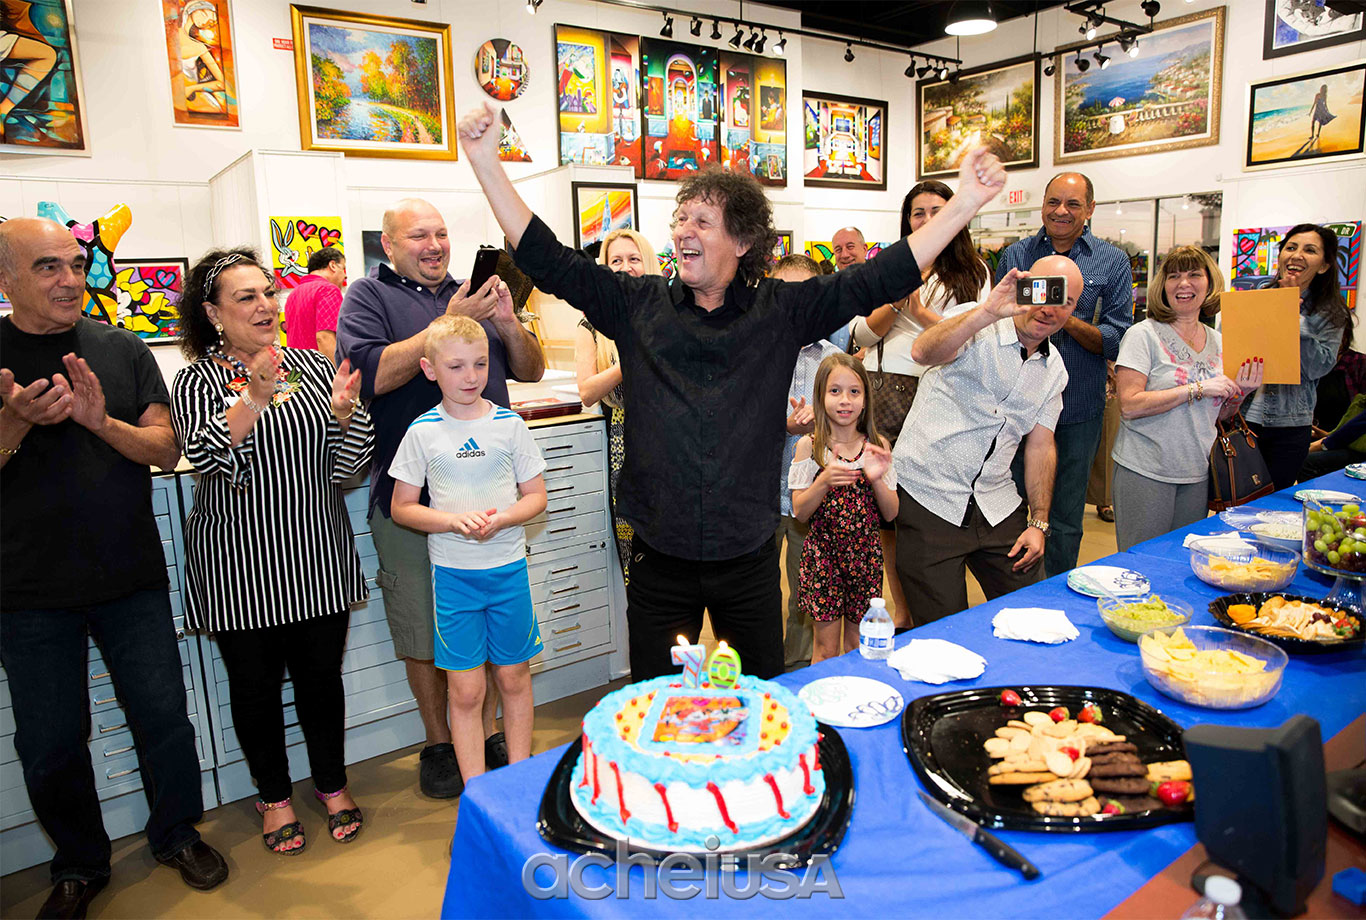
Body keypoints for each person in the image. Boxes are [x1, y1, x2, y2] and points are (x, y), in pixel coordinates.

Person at [456, 100, 1006, 679]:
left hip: (747, 556)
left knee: (760, 695)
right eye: (680, 219)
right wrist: (487, 161)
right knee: (659, 697)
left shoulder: (780, 311)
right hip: (658, 555)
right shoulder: (636, 304)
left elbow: (878, 276)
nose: (683, 231)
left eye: (702, 221)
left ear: (742, 241)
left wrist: (965, 201)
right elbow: (549, 259)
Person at [0, 218, 228, 918]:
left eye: (75, 264)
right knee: (50, 742)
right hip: (26, 591)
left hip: (130, 577)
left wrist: (100, 422)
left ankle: (177, 833)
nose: (70, 279)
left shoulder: (120, 348)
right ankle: (78, 863)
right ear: (6, 278)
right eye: (48, 267)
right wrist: (16, 422)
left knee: (164, 718)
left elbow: (165, 449)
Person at [335, 197, 545, 799]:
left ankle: (487, 737)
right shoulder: (367, 297)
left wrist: (505, 322)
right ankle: (439, 742)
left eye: (442, 234)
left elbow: (529, 369)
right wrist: (442, 325)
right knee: (425, 630)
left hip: (491, 495)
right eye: (419, 236)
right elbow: (370, 375)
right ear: (389, 244)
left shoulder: (475, 291)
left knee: (497, 644)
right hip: (415, 497)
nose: (434, 246)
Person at [171, 248, 374, 855]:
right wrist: (255, 398)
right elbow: (207, 456)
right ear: (213, 313)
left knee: (320, 681)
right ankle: (275, 797)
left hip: (317, 551)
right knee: (255, 688)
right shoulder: (195, 380)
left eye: (267, 293)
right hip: (238, 563)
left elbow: (348, 467)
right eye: (246, 298)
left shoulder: (311, 364)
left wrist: (345, 415)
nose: (265, 306)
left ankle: (332, 784)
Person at [389, 315, 548, 785]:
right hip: (454, 579)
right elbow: (402, 507)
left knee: (514, 678)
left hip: (508, 572)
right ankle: (477, 790)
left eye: (480, 363)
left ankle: (518, 781)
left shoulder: (509, 425)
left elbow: (536, 497)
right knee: (465, 691)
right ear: (430, 369)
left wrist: (504, 517)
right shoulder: (423, 431)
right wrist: (451, 521)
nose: (471, 376)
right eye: (456, 366)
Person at [894, 256, 1079, 624]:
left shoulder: (1054, 368)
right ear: (1025, 287)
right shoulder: (976, 320)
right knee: (945, 631)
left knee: (1035, 615)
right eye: (1043, 292)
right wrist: (987, 312)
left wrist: (1039, 523)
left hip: (996, 502)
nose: (1050, 308)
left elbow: (1041, 445)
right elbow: (923, 351)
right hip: (930, 495)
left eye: (1065, 300)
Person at [850, 182, 993, 625]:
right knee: (886, 513)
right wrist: (895, 304)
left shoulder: (973, 271)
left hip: (937, 397)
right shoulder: (892, 264)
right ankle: (902, 612)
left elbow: (978, 336)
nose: (927, 219)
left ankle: (927, 608)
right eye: (918, 212)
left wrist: (919, 313)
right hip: (880, 396)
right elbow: (861, 334)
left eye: (937, 209)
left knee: (921, 512)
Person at [995, 172, 1133, 578]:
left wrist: (1062, 314)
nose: (1061, 211)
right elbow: (997, 323)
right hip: (1014, 403)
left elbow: (1116, 338)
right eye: (1053, 201)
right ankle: (1011, 591)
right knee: (1005, 506)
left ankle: (1053, 593)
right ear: (1042, 205)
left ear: (1090, 209)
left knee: (1066, 516)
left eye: (1073, 204)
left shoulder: (1112, 261)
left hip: (1077, 405)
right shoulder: (1016, 256)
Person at [1111, 247, 1264, 551]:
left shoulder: (1220, 342)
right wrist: (1198, 388)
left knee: (1182, 560)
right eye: (1174, 276)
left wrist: (1242, 392)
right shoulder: (1143, 335)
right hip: (1145, 470)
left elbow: (1219, 415)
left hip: (1197, 472)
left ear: (1209, 283)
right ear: (1163, 285)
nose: (1184, 283)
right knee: (1143, 561)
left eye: (1194, 274)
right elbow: (1129, 405)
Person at [789, 353, 897, 663]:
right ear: (820, 397)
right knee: (826, 650)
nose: (845, 400)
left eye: (854, 391)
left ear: (865, 399)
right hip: (823, 558)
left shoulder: (877, 445)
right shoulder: (810, 445)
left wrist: (876, 478)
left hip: (865, 559)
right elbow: (800, 512)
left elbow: (891, 513)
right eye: (835, 391)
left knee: (857, 648)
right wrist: (823, 482)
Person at [774, 254, 850, 670]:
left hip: (814, 501)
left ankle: (795, 668)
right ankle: (763, 667)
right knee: (757, 592)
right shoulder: (755, 352)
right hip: (760, 496)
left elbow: (852, 424)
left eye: (804, 292)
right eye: (784, 291)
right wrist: (782, 426)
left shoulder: (835, 361)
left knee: (807, 595)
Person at [574, 227, 660, 582]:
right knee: (636, 558)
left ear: (648, 263)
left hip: (673, 443)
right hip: (624, 446)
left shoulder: (670, 317)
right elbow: (587, 391)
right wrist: (631, 361)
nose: (625, 267)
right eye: (616, 261)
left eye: (633, 259)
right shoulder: (592, 323)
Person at [1243, 224, 1352, 491]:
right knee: (1235, 497)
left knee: (1271, 500)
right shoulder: (1256, 299)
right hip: (1243, 418)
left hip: (1290, 425)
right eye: (1291, 247)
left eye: (1310, 250)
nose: (1297, 255)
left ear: (1324, 266)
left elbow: (1318, 367)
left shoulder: (1331, 313)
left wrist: (1292, 316)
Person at [1300, 327, 1366, 480]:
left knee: (1305, 462)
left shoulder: (1358, 363)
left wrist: (1324, 443)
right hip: (1326, 434)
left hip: (1352, 442)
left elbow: (1359, 424)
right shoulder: (1308, 364)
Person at [284, 245, 346, 360]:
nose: (345, 275)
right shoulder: (328, 290)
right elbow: (324, 338)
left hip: (296, 367)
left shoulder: (293, 294)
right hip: (320, 368)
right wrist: (337, 370)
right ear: (333, 265)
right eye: (343, 268)